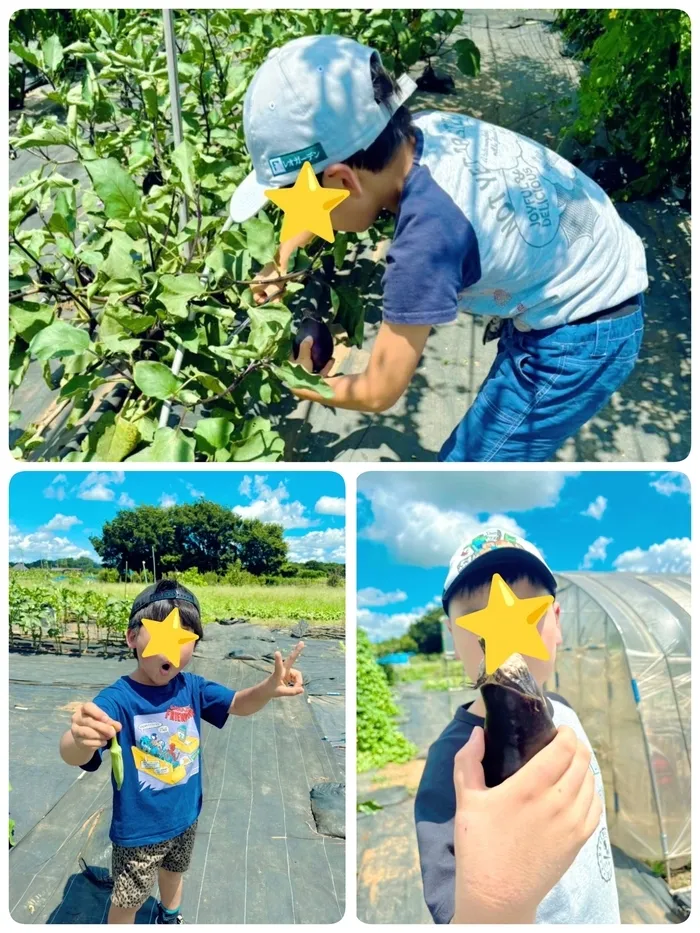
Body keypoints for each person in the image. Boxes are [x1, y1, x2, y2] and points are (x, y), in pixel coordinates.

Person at [230, 34, 648, 462]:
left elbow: (379, 391)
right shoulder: (424, 130)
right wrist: (281, 260)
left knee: (469, 468)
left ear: (341, 181)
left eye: (295, 195)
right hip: (592, 262)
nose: (298, 210)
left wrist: (293, 378)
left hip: (582, 333)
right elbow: (323, 200)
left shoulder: (424, 248)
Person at [59, 581, 304, 924]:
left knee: (175, 873)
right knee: (128, 900)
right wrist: (78, 737)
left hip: (186, 816)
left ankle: (170, 917)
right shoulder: (118, 700)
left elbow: (237, 703)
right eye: (165, 633)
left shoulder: (192, 687)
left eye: (186, 636)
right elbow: (74, 753)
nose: (174, 648)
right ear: (132, 638)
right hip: (139, 831)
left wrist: (268, 688)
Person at [414, 530, 620, 923]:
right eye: (480, 617)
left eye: (528, 611)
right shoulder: (453, 762)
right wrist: (496, 903)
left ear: (556, 622)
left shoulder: (563, 710)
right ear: (453, 640)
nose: (503, 633)